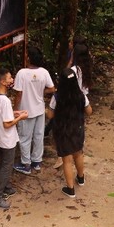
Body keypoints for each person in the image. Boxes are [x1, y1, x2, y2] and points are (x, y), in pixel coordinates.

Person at [46, 65, 91, 198]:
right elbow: (89, 111)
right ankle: (81, 178)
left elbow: (50, 115)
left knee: (66, 160)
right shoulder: (81, 95)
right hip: (77, 128)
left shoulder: (57, 97)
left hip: (62, 130)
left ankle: (70, 189)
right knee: (78, 153)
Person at [0, 67, 27, 209]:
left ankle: (5, 187)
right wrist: (21, 117)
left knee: (3, 162)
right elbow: (7, 124)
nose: (12, 80)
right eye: (10, 78)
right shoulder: (4, 100)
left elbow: (3, 115)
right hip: (6, 138)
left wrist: (15, 113)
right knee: (7, 166)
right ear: (3, 82)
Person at [12, 46, 55, 174]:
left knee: (25, 137)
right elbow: (52, 88)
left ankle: (26, 164)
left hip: (25, 111)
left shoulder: (22, 73)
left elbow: (18, 94)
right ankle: (36, 162)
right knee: (38, 135)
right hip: (39, 109)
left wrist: (15, 110)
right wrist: (40, 91)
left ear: (29, 58)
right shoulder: (44, 72)